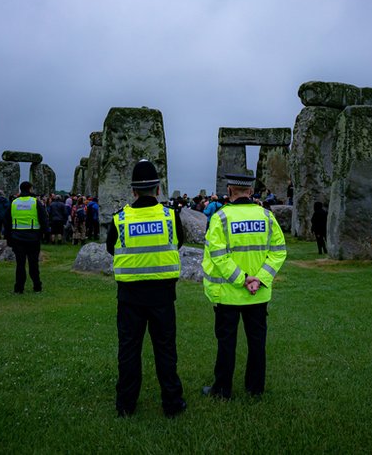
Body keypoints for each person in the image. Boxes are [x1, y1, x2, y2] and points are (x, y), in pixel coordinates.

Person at [106, 160, 186, 418]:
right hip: (163, 295)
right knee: (165, 350)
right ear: (158, 189)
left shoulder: (120, 219)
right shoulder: (170, 216)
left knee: (129, 350)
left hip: (130, 296)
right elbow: (179, 242)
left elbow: (111, 248)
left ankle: (126, 405)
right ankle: (172, 404)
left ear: (133, 191)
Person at [201, 173, 287, 400]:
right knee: (257, 343)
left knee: (226, 343)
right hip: (258, 294)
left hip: (229, 293)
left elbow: (218, 256)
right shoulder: (267, 217)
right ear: (250, 191)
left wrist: (243, 279)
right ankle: (255, 388)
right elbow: (278, 252)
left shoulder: (220, 218)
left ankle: (222, 390)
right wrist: (258, 279)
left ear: (229, 192)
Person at [5, 181, 49, 294]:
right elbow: (44, 219)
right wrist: (43, 234)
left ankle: (19, 288)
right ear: (30, 189)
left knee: (20, 264)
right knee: (33, 263)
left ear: (20, 190)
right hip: (33, 237)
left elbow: (7, 221)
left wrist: (8, 238)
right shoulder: (35, 202)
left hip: (17, 236)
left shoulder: (14, 203)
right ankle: (37, 286)